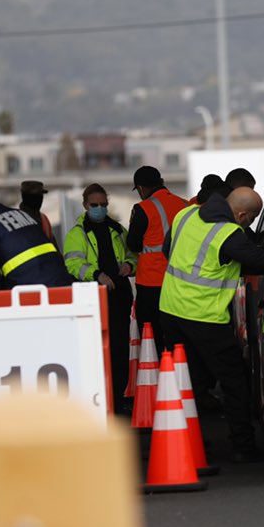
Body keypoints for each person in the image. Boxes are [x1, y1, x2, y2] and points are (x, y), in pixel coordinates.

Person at [159, 187, 264, 463]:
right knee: (234, 381)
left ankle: (185, 443)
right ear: (242, 214)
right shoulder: (228, 234)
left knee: (187, 381)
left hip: (170, 309)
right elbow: (261, 262)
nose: (247, 225)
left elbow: (168, 249)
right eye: (250, 220)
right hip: (204, 316)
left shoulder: (185, 215)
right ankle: (243, 447)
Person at [63, 184, 136, 413]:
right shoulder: (77, 234)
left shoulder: (117, 229)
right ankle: (99, 399)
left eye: (103, 205)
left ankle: (117, 398)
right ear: (85, 205)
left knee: (120, 349)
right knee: (96, 351)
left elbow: (133, 254)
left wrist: (129, 265)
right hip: (93, 298)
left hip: (120, 296)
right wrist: (97, 275)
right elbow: (73, 264)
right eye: (94, 205)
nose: (99, 209)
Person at [126, 165, 188, 353]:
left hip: (152, 283)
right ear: (161, 182)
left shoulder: (143, 208)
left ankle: (158, 374)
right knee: (179, 336)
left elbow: (134, 245)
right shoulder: (186, 205)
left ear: (141, 188)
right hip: (182, 281)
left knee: (152, 337)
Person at [19, 180, 57, 247]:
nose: (39, 199)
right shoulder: (16, 218)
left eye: (40, 196)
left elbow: (53, 245)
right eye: (34, 197)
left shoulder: (44, 218)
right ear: (24, 197)